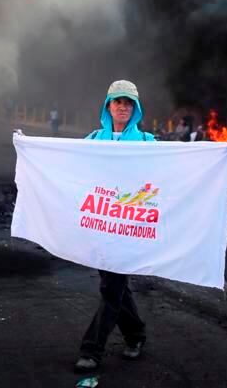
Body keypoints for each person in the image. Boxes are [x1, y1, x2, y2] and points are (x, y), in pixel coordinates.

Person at [76, 80, 154, 371]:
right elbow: (65, 162)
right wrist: (28, 146)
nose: (123, 107)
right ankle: (136, 335)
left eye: (128, 103)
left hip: (128, 228)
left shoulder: (147, 143)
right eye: (118, 101)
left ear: (136, 108)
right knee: (116, 287)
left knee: (111, 288)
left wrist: (221, 153)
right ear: (108, 106)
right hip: (100, 226)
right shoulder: (93, 139)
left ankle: (91, 350)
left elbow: (180, 164)